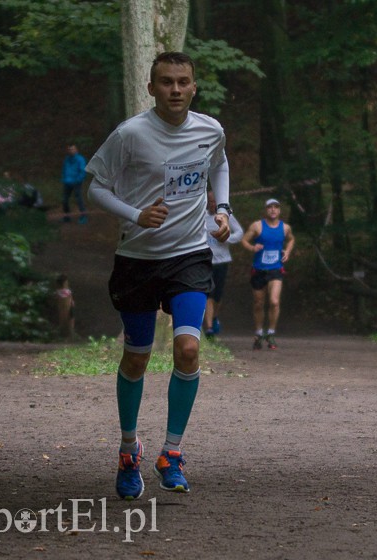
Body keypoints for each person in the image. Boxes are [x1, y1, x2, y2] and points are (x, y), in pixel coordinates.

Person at [86, 51, 232, 500]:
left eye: (182, 81)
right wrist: (135, 214)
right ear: (151, 88)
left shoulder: (210, 130)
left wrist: (222, 208)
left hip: (189, 256)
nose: (174, 89)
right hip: (137, 262)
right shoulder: (130, 134)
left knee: (188, 350)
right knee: (137, 358)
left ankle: (172, 453)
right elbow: (94, 185)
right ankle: (129, 450)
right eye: (165, 82)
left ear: (193, 87)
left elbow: (220, 164)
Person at [241, 198, 295, 350]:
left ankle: (271, 333)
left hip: (276, 269)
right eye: (270, 207)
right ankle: (258, 333)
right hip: (258, 270)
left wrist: (288, 251)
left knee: (274, 301)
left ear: (279, 210)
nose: (273, 210)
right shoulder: (257, 226)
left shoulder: (285, 228)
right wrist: (253, 248)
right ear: (265, 210)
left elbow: (291, 240)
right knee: (258, 303)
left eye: (276, 207)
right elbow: (244, 240)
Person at [203, 188, 243, 337]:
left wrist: (227, 238)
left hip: (222, 260)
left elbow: (239, 233)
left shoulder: (226, 216)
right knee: (209, 294)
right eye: (210, 201)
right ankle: (209, 329)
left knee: (217, 296)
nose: (212, 204)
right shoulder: (202, 216)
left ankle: (213, 318)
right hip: (206, 260)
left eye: (215, 202)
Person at [61, 144, 88, 224]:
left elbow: (83, 171)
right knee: (64, 200)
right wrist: (64, 178)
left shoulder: (80, 159)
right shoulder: (67, 159)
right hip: (67, 182)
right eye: (69, 149)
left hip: (76, 182)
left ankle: (83, 216)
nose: (71, 151)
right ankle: (67, 216)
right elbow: (64, 169)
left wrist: (79, 180)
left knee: (79, 199)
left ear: (76, 150)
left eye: (72, 149)